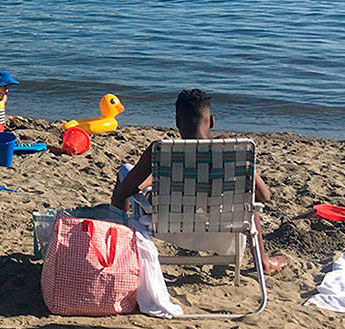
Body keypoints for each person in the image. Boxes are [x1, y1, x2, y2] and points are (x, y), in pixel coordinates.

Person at [110, 88, 289, 275]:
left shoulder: (161, 151)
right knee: (248, 202)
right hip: (224, 229)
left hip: (168, 226)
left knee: (125, 170)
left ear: (177, 122)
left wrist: (154, 177)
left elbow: (125, 192)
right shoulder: (231, 150)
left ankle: (118, 254)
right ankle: (264, 262)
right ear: (211, 122)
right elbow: (265, 196)